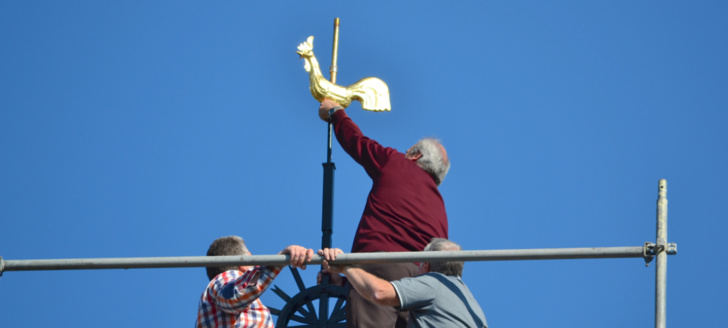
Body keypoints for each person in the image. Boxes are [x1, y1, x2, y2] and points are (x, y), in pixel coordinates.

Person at [318, 98, 451, 327]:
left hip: (379, 265)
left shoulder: (396, 163)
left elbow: (357, 142)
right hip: (421, 285)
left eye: (407, 150)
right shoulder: (441, 209)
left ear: (416, 156)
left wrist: (335, 112)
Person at [319, 238, 488, 328]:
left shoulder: (433, 283)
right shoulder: (472, 306)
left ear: (426, 265)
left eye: (419, 265)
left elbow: (380, 292)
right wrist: (343, 283)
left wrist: (347, 268)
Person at [196, 236, 314, 328]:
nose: (255, 264)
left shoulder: (213, 294)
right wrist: (277, 261)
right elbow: (235, 297)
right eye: (252, 258)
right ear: (243, 263)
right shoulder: (225, 278)